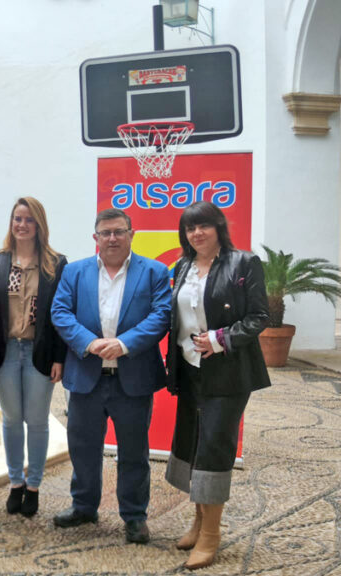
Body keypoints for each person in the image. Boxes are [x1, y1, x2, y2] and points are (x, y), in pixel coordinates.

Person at [50, 207, 171, 544]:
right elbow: (60, 312)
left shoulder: (155, 272)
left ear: (132, 234)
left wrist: (123, 343)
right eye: (106, 232)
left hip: (132, 378)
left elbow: (161, 315)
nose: (113, 238)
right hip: (86, 376)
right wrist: (88, 343)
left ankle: (134, 516)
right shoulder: (75, 272)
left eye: (119, 231)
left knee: (134, 451)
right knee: (83, 448)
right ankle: (84, 507)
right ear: (96, 238)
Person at [165, 201, 271, 570]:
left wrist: (220, 338)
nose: (197, 234)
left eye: (204, 226)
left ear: (218, 227)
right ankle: (197, 522)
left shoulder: (243, 263)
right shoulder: (182, 267)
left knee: (213, 448)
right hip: (190, 371)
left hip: (227, 374)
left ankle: (212, 535)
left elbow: (260, 316)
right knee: (192, 446)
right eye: (190, 228)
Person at [0, 197, 67, 517]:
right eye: (17, 218)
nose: (22, 224)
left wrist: (60, 357)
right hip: (6, 350)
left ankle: (33, 486)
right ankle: (15, 483)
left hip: (39, 351)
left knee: (36, 421)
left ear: (39, 225)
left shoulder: (55, 263)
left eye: (28, 219)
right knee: (10, 420)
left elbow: (62, 315)